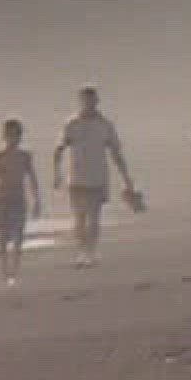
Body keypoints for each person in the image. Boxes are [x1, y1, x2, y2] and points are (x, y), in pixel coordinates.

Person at [53, 86, 135, 268]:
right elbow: (59, 149)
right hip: (76, 178)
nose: (89, 104)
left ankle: (91, 252)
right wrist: (57, 174)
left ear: (96, 101)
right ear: (81, 102)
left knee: (94, 218)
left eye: (92, 100)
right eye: (86, 100)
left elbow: (115, 152)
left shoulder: (105, 125)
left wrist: (126, 178)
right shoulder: (72, 124)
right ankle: (82, 251)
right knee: (79, 218)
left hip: (97, 178)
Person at [0, 118, 41, 287]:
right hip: (2, 200)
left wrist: (37, 200)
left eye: (16, 135)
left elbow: (32, 178)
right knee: (3, 238)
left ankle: (15, 271)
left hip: (18, 199)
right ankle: (5, 271)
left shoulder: (25, 156)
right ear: (4, 136)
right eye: (10, 135)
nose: (13, 139)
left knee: (19, 237)